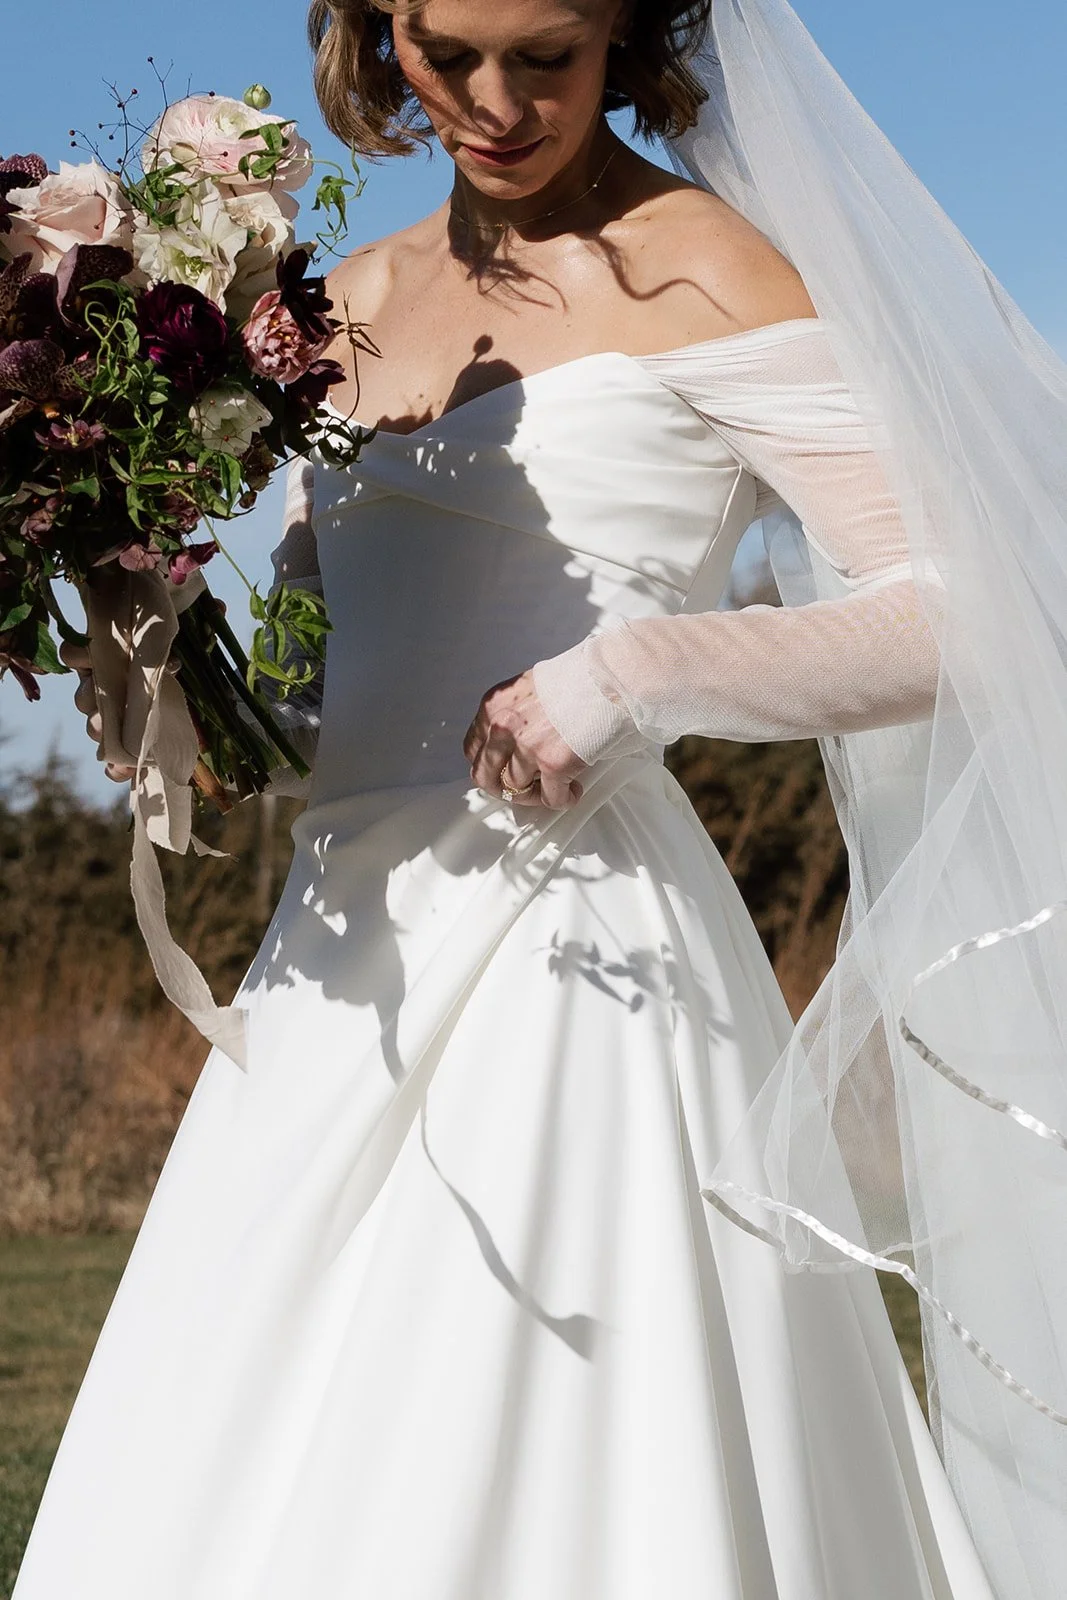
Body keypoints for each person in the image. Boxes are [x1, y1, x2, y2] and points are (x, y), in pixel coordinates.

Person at [16, 1, 1063, 1595]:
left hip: (582, 969)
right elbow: (316, 686)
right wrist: (162, 669)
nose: (493, 101)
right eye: (445, 51)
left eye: (546, 56)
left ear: (621, 35)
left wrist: (638, 673)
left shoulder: (708, 268)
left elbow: (972, 604)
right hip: (333, 981)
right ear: (378, 32)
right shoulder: (336, 308)